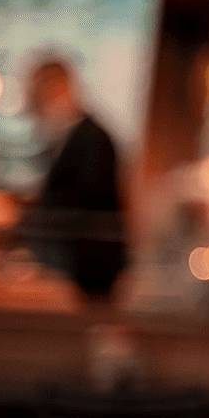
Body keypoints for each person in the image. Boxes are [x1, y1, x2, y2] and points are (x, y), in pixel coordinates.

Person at [26, 58, 126, 303]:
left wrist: (25, 211)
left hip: (88, 267)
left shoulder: (94, 139)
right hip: (75, 261)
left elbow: (85, 202)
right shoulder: (74, 136)